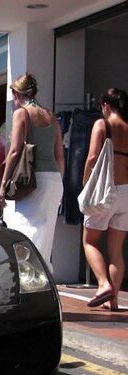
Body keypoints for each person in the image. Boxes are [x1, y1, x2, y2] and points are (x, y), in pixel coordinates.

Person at [0, 73, 65, 270]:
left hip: (33, 179)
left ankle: (26, 274)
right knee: (45, 232)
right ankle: (43, 274)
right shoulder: (51, 116)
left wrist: (3, 184)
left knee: (22, 227)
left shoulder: (21, 113)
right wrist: (59, 181)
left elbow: (15, 150)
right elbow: (60, 155)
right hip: (54, 179)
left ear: (17, 93)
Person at [82, 88, 128, 310]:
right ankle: (114, 301)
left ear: (106, 106)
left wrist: (84, 182)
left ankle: (102, 284)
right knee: (116, 249)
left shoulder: (103, 124)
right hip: (126, 193)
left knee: (90, 240)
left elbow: (92, 156)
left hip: (105, 191)